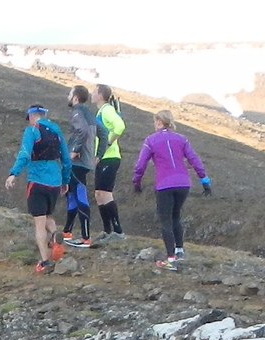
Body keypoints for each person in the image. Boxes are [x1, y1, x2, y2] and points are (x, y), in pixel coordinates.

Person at [130, 108, 210, 266]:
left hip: (164, 184)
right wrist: (205, 181)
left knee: (165, 219)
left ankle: (171, 257)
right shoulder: (182, 139)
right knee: (176, 216)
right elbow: (194, 160)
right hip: (183, 183)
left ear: (159, 122)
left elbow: (140, 165)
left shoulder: (150, 140)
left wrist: (136, 182)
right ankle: (179, 251)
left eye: (155, 121)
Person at [2, 102, 69, 271]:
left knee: (39, 221)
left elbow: (24, 154)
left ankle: (45, 262)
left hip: (37, 181)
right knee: (48, 215)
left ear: (31, 116)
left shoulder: (31, 130)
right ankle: (55, 236)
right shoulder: (56, 131)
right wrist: (65, 180)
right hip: (55, 180)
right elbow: (67, 159)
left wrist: (13, 173)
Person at [63, 85, 100, 247]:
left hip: (78, 162)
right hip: (87, 161)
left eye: (70, 94)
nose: (68, 96)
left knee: (79, 194)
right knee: (71, 193)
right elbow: (103, 133)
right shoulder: (90, 114)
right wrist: (98, 154)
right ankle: (67, 231)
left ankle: (85, 237)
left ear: (75, 97)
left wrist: (74, 150)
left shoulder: (77, 112)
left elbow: (82, 131)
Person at [92, 83, 128, 237]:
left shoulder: (106, 110)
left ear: (100, 95)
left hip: (110, 157)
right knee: (99, 194)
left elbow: (120, 126)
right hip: (103, 158)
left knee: (105, 193)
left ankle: (117, 230)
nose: (91, 94)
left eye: (94, 91)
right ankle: (107, 230)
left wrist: (108, 143)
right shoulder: (101, 111)